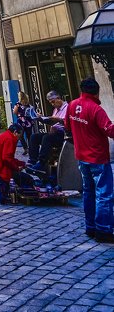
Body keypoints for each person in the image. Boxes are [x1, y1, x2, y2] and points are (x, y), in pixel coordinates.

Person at [66, 76, 114, 243]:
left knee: (88, 192)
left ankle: (90, 226)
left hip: (82, 156)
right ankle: (104, 230)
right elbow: (110, 130)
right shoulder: (95, 109)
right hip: (98, 157)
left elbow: (68, 126)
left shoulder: (72, 105)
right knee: (104, 194)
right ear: (96, 91)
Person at [28, 90, 68, 171]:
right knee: (34, 137)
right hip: (54, 132)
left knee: (47, 138)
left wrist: (58, 120)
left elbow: (67, 122)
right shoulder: (56, 109)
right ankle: (33, 160)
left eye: (53, 102)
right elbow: (52, 122)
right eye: (51, 103)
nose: (53, 104)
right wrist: (41, 118)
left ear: (58, 98)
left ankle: (42, 162)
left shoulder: (67, 107)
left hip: (63, 133)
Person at [0, 124, 26, 203]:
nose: (19, 138)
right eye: (19, 136)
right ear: (15, 132)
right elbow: (6, 159)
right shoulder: (10, 139)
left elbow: (8, 157)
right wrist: (17, 168)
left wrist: (22, 163)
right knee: (24, 178)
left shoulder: (4, 136)